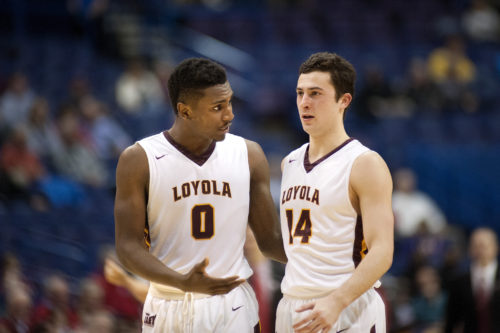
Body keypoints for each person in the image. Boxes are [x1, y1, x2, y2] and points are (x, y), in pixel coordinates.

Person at [114, 57, 286, 332]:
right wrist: (180, 280)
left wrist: (329, 259)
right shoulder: (139, 160)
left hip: (232, 304)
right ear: (185, 111)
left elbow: (269, 241)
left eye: (229, 103)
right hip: (169, 302)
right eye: (217, 107)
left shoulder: (249, 154)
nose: (229, 115)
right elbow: (128, 247)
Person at [275, 52, 394, 333]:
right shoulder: (289, 162)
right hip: (292, 305)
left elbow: (383, 251)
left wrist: (336, 301)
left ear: (344, 101)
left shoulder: (365, 164)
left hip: (346, 306)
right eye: (300, 93)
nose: (305, 102)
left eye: (316, 93)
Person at [445, 227, 500, 333]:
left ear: (496, 248)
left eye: (484, 246)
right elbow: (452, 318)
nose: (480, 250)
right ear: (470, 249)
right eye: (476, 246)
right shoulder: (459, 280)